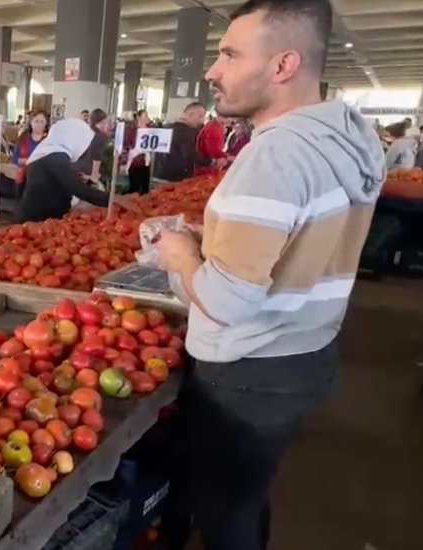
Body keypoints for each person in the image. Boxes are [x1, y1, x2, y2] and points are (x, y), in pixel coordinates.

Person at [154, 2, 385, 549]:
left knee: (225, 513)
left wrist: (182, 252)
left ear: (283, 65)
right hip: (306, 349)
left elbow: (228, 301)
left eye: (230, 54)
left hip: (249, 371)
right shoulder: (348, 138)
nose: (212, 71)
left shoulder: (276, 156)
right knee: (247, 497)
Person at [17, 118, 137, 222]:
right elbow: (79, 190)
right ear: (73, 138)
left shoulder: (48, 150)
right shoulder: (56, 155)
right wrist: (114, 199)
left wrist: (76, 177)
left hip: (40, 216)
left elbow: (55, 179)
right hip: (38, 220)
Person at [156, 102, 226, 181]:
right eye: (200, 116)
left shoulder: (166, 128)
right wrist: (213, 162)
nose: (202, 121)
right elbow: (190, 155)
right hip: (177, 179)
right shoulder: (186, 132)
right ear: (191, 115)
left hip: (160, 175)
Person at [10, 110, 49, 194]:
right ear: (31, 122)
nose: (39, 124)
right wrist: (29, 160)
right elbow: (14, 160)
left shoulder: (49, 142)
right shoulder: (22, 139)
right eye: (36, 121)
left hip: (42, 183)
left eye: (42, 121)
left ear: (46, 124)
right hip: (22, 181)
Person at [76, 108, 112, 183]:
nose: (110, 126)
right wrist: (94, 176)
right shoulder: (100, 137)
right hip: (86, 173)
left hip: (76, 170)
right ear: (100, 123)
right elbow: (97, 157)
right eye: (108, 123)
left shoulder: (87, 132)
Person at [126, 109, 153, 194]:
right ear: (139, 117)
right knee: (135, 187)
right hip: (135, 161)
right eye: (145, 116)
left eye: (147, 116)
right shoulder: (133, 130)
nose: (147, 118)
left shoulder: (151, 131)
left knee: (145, 186)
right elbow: (127, 145)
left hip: (146, 161)